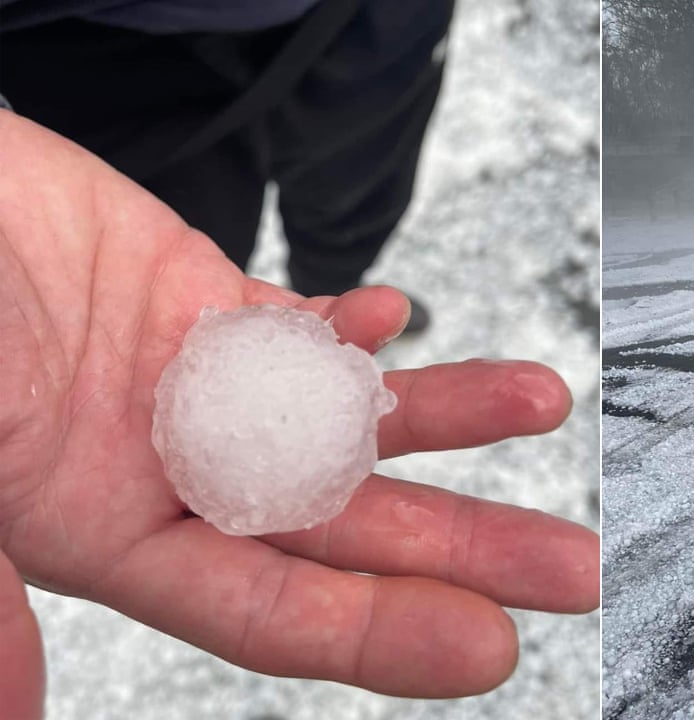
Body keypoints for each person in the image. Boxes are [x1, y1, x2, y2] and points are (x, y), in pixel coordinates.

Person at [0, 108, 599, 718]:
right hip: (124, 91)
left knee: (355, 179)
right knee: (197, 194)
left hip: (359, 57)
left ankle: (335, 269)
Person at [0, 0, 445, 331]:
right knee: (179, 289)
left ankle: (336, 293)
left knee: (355, 185)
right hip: (101, 48)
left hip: (371, 20)